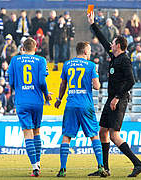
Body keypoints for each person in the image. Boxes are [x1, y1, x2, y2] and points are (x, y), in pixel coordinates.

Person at [87, 11, 141, 177]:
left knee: (113, 135)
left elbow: (131, 81)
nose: (110, 45)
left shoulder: (124, 60)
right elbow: (103, 40)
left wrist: (117, 98)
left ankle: (138, 163)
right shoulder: (114, 57)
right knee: (102, 132)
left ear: (119, 46)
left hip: (118, 100)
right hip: (111, 99)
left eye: (113, 43)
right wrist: (92, 24)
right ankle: (104, 169)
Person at [54, 41, 107, 177]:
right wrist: (95, 79)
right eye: (89, 50)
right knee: (94, 135)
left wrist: (59, 99)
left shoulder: (67, 64)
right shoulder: (90, 65)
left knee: (66, 136)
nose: (90, 53)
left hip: (70, 103)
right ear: (84, 51)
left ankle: (62, 169)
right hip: (85, 105)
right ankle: (101, 166)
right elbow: (96, 87)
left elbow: (62, 84)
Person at [8, 38, 52, 177]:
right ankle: (38, 162)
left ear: (23, 48)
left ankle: (35, 167)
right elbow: (41, 81)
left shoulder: (15, 60)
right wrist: (46, 95)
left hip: (22, 100)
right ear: (36, 47)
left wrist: (21, 89)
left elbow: (11, 82)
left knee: (27, 133)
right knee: (37, 131)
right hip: (37, 101)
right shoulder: (41, 60)